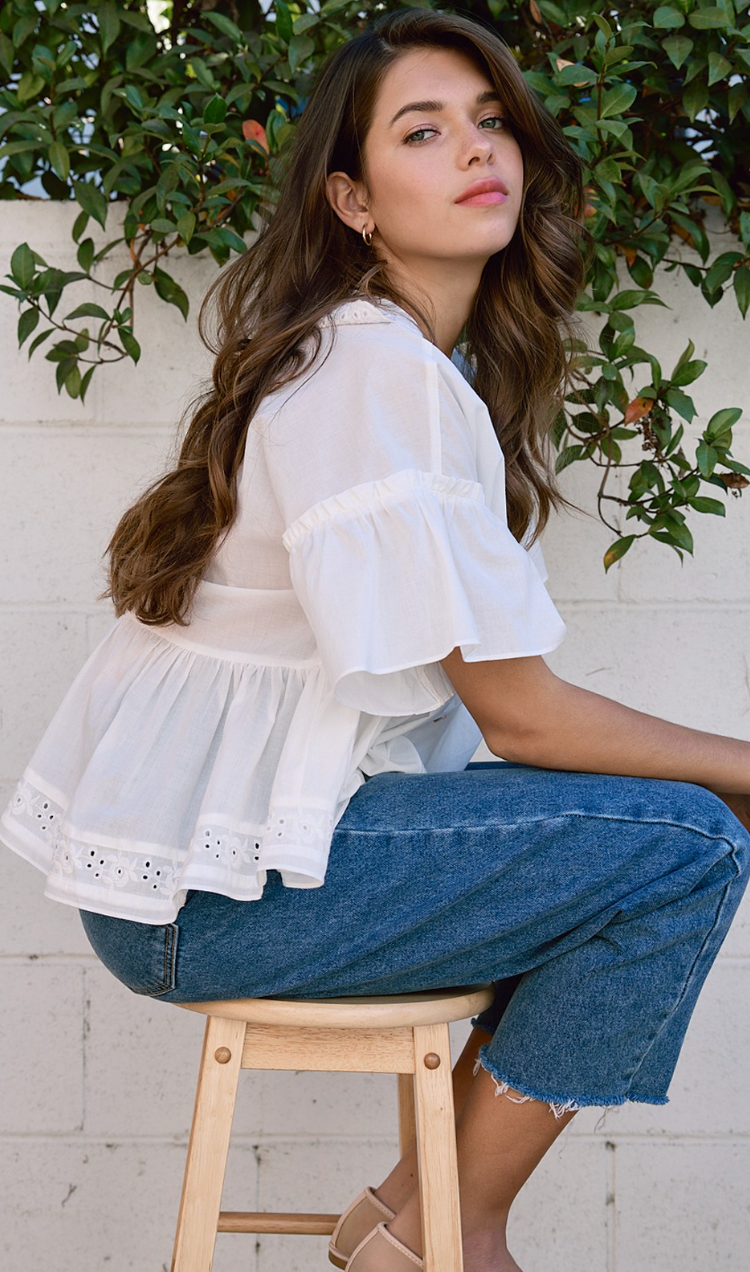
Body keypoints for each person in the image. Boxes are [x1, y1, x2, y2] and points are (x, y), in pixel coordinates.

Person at [2, 10, 749, 1272]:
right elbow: (524, 719)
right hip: (212, 898)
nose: (478, 149)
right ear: (350, 200)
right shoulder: (371, 371)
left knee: (652, 834)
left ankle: (415, 1216)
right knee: (682, 845)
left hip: (209, 883)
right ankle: (455, 1231)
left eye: (492, 121)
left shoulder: (394, 367)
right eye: (425, 130)